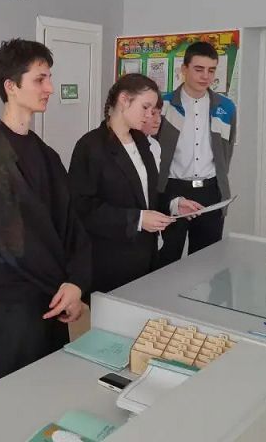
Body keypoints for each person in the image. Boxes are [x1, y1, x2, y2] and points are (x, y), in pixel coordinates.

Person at [0, 38, 91, 383]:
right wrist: (65, 287)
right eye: (39, 79)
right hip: (15, 303)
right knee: (15, 392)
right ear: (11, 86)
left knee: (50, 385)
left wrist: (75, 283)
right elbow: (15, 245)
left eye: (49, 78)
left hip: (53, 294)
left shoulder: (45, 154)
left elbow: (71, 225)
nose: (50, 88)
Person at [69, 74, 193, 294]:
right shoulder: (91, 146)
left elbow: (148, 193)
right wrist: (137, 219)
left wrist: (174, 203)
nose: (149, 115)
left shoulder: (141, 141)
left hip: (146, 254)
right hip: (111, 259)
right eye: (145, 107)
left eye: (153, 109)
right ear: (124, 100)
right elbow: (82, 208)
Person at [157, 41, 237, 266]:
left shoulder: (226, 107)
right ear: (184, 69)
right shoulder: (164, 105)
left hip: (210, 192)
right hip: (172, 191)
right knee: (166, 260)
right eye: (199, 69)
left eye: (211, 70)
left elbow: (227, 151)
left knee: (207, 263)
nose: (205, 76)